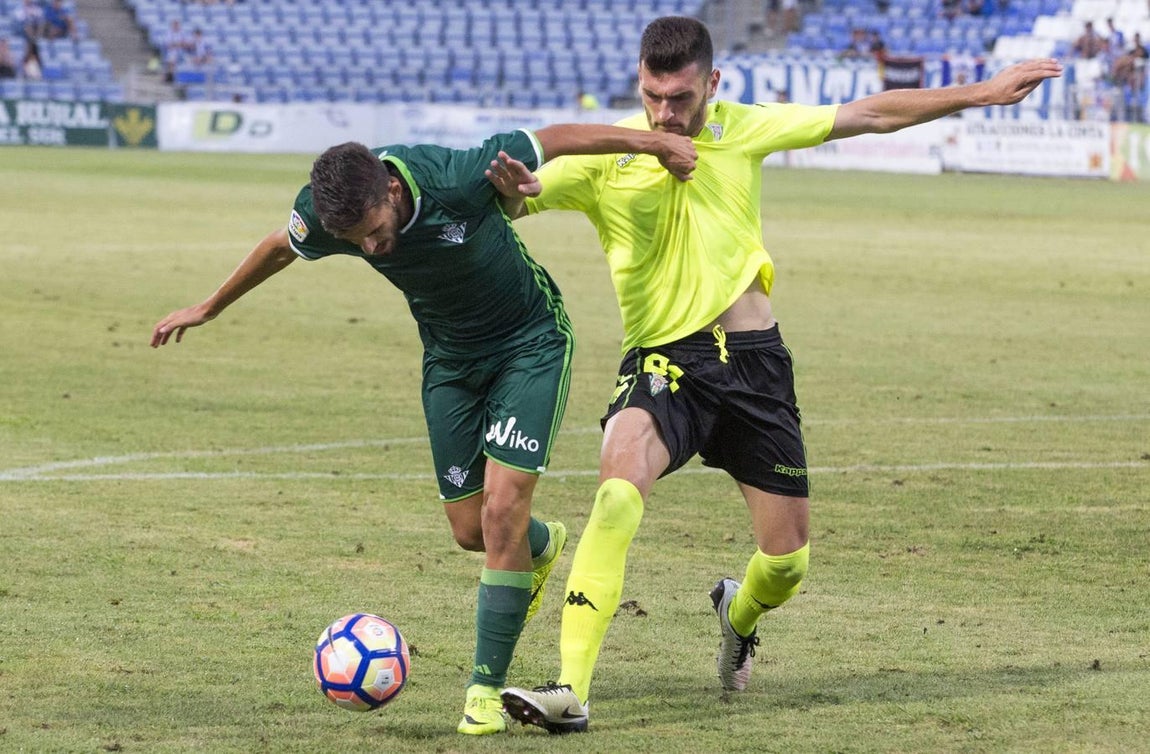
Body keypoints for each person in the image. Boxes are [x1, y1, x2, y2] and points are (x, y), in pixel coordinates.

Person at [489, 15, 1061, 734]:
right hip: (665, 361)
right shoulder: (610, 155)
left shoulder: (744, 128)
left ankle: (739, 609)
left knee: (787, 563)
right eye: (652, 96)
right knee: (616, 489)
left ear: (713, 85)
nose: (666, 113)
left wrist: (981, 93)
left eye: (681, 98)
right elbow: (519, 198)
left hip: (756, 366)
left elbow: (872, 112)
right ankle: (570, 688)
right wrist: (511, 191)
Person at [150, 124, 696, 736]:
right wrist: (209, 307)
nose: (375, 248)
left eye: (377, 231)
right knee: (472, 531)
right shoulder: (332, 215)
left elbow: (560, 137)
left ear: (390, 187)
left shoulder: (454, 175)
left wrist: (656, 145)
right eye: (357, 242)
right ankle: (539, 548)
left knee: (502, 508)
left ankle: (484, 690)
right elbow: (281, 245)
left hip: (530, 344)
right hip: (449, 362)